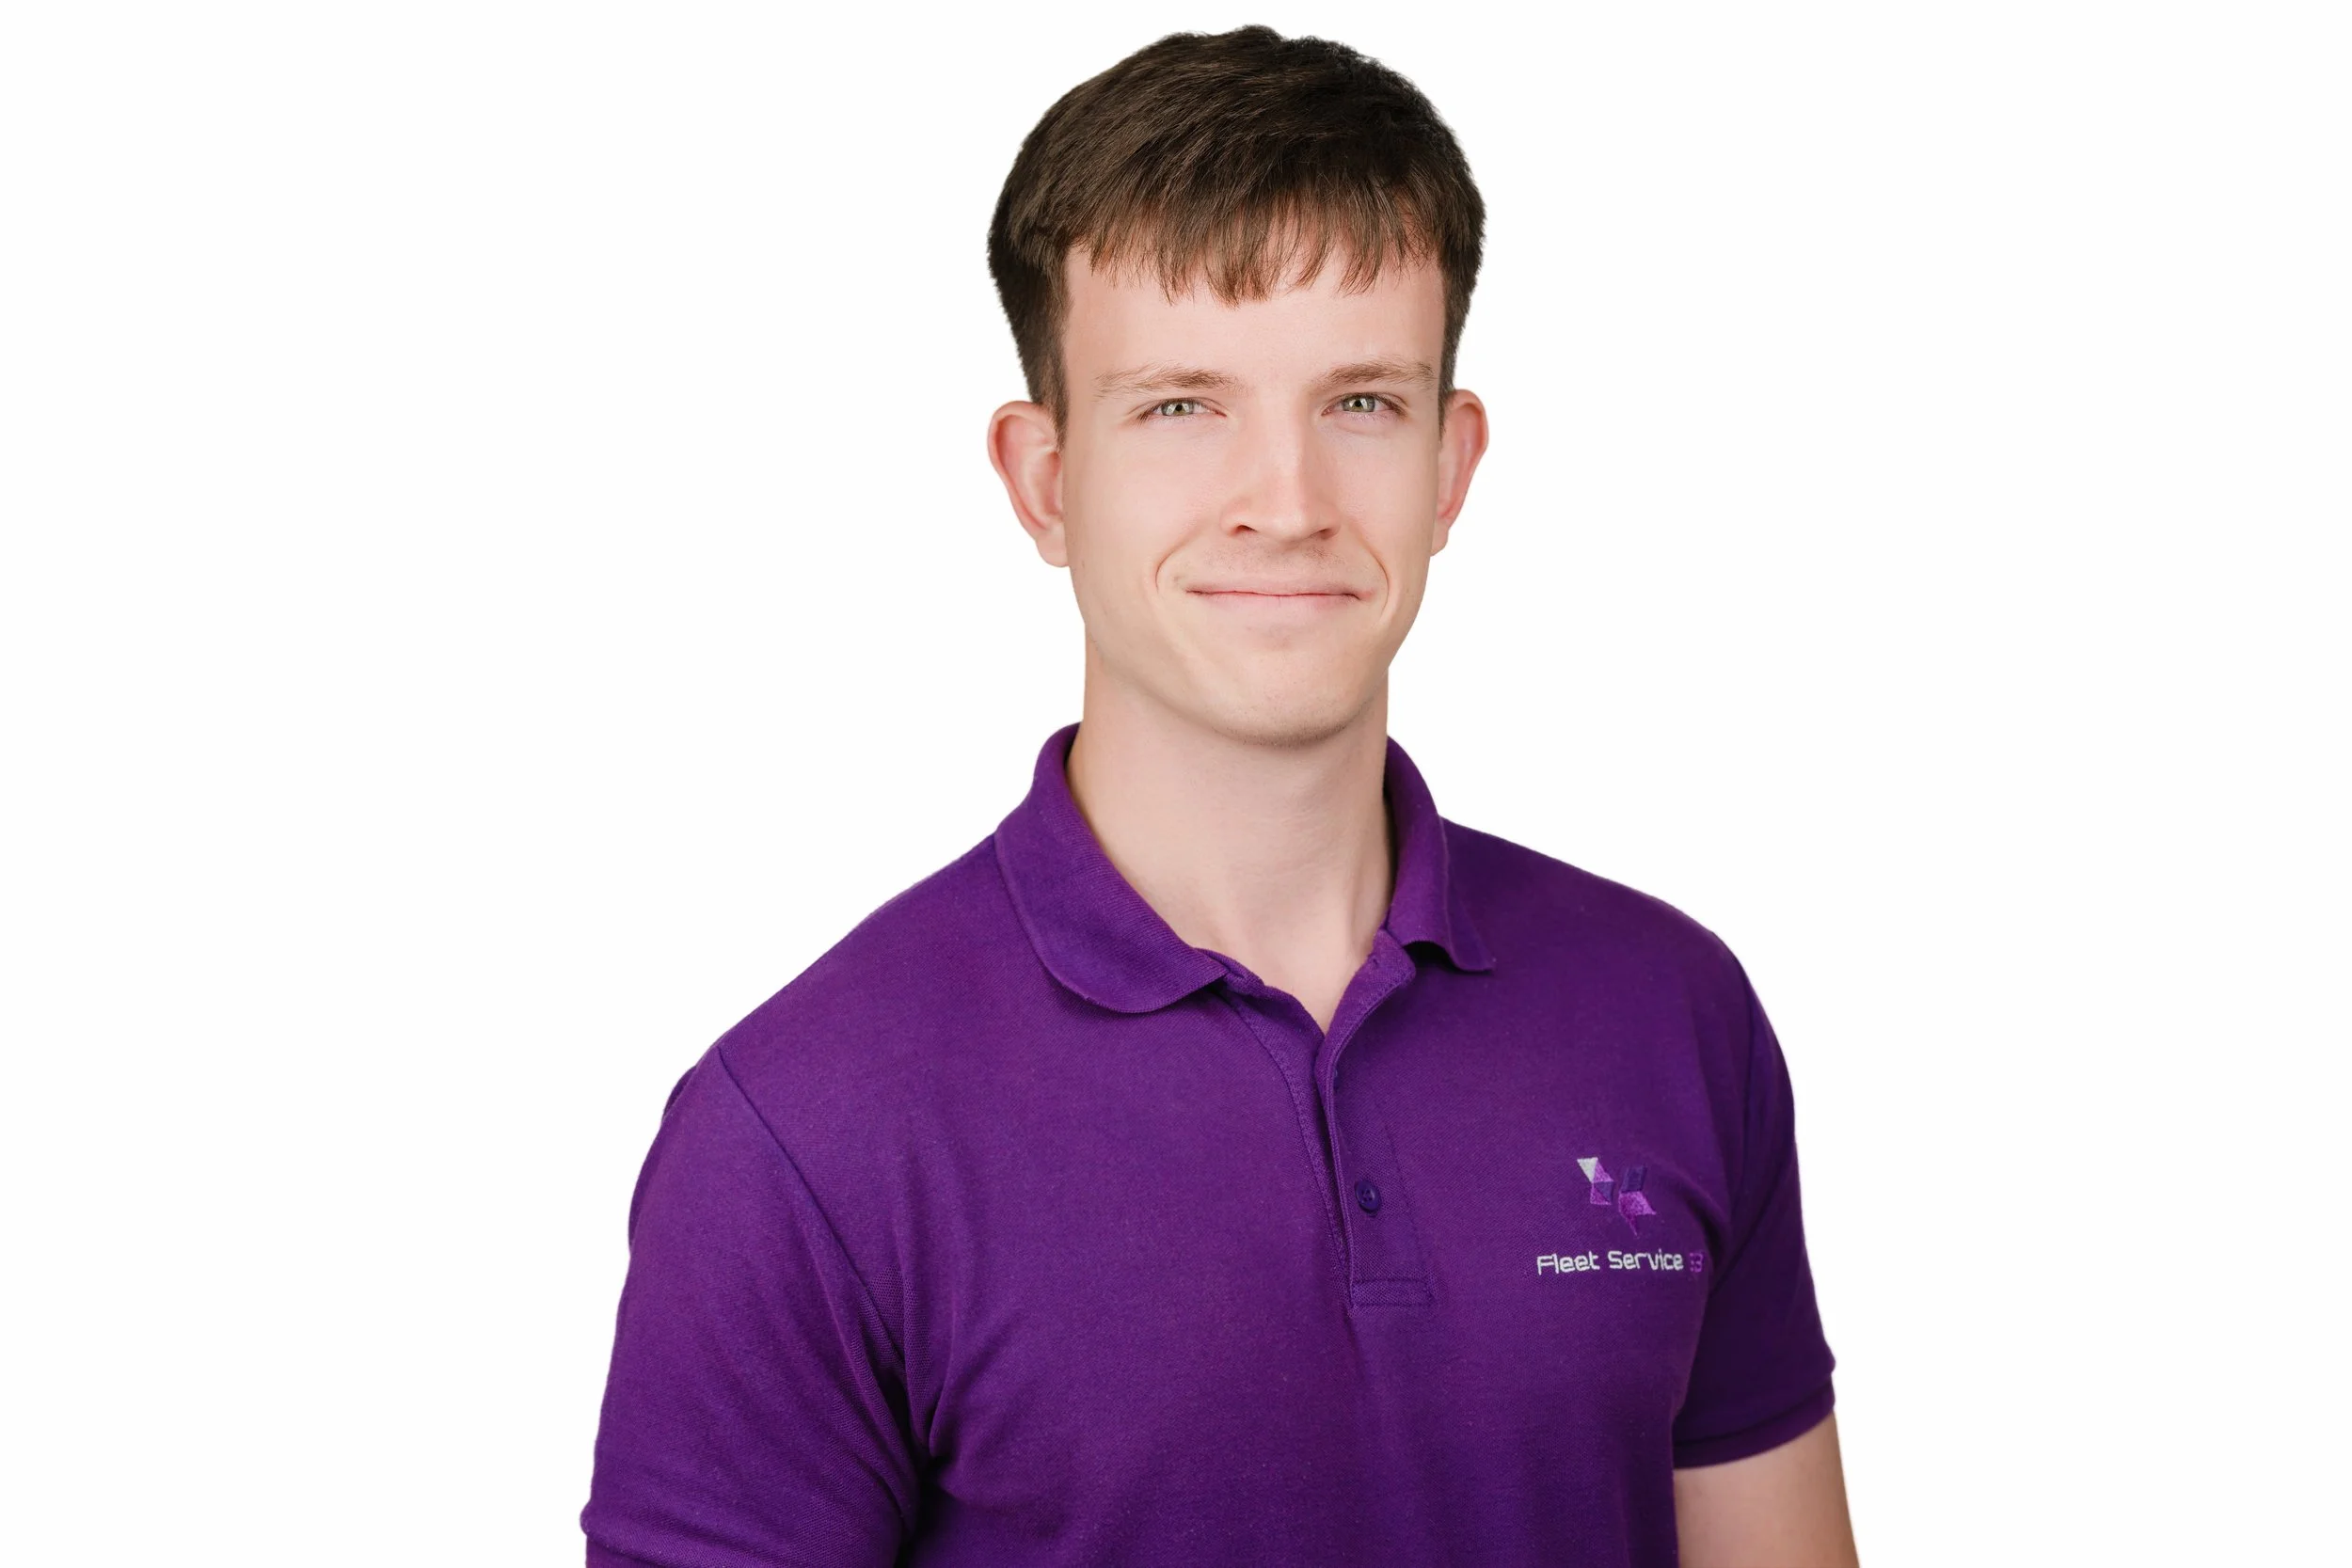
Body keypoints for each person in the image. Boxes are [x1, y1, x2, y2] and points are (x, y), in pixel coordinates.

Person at [581, 24, 1856, 1567]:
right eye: (1182, 406)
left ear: (1454, 464)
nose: (1289, 500)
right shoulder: (799, 1134)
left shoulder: (1671, 1013)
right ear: (1043, 479)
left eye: (1362, 403)